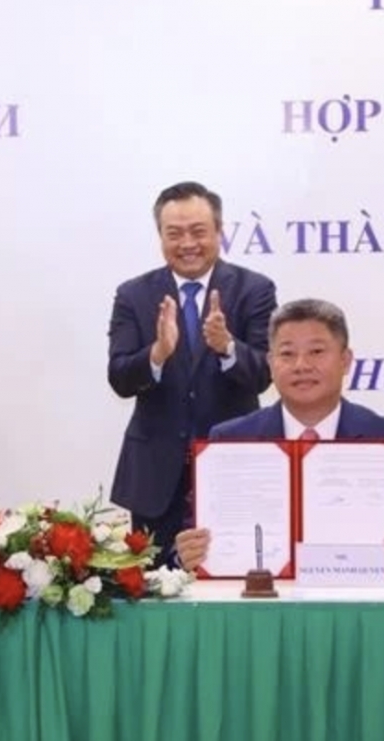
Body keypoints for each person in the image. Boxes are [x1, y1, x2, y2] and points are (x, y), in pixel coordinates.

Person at [174, 298, 384, 574]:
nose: (301, 365)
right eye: (287, 354)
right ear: (271, 363)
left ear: (345, 360)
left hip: (360, 607)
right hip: (260, 606)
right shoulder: (229, 440)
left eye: (316, 351)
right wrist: (184, 555)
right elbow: (188, 539)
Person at [107, 181, 278, 561]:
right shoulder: (133, 295)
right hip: (155, 478)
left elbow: (267, 374)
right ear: (160, 237)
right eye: (175, 234)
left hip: (233, 469)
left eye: (198, 232)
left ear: (219, 231)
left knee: (234, 584)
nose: (187, 243)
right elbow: (119, 377)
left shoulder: (255, 290)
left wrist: (227, 347)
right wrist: (157, 352)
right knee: (155, 592)